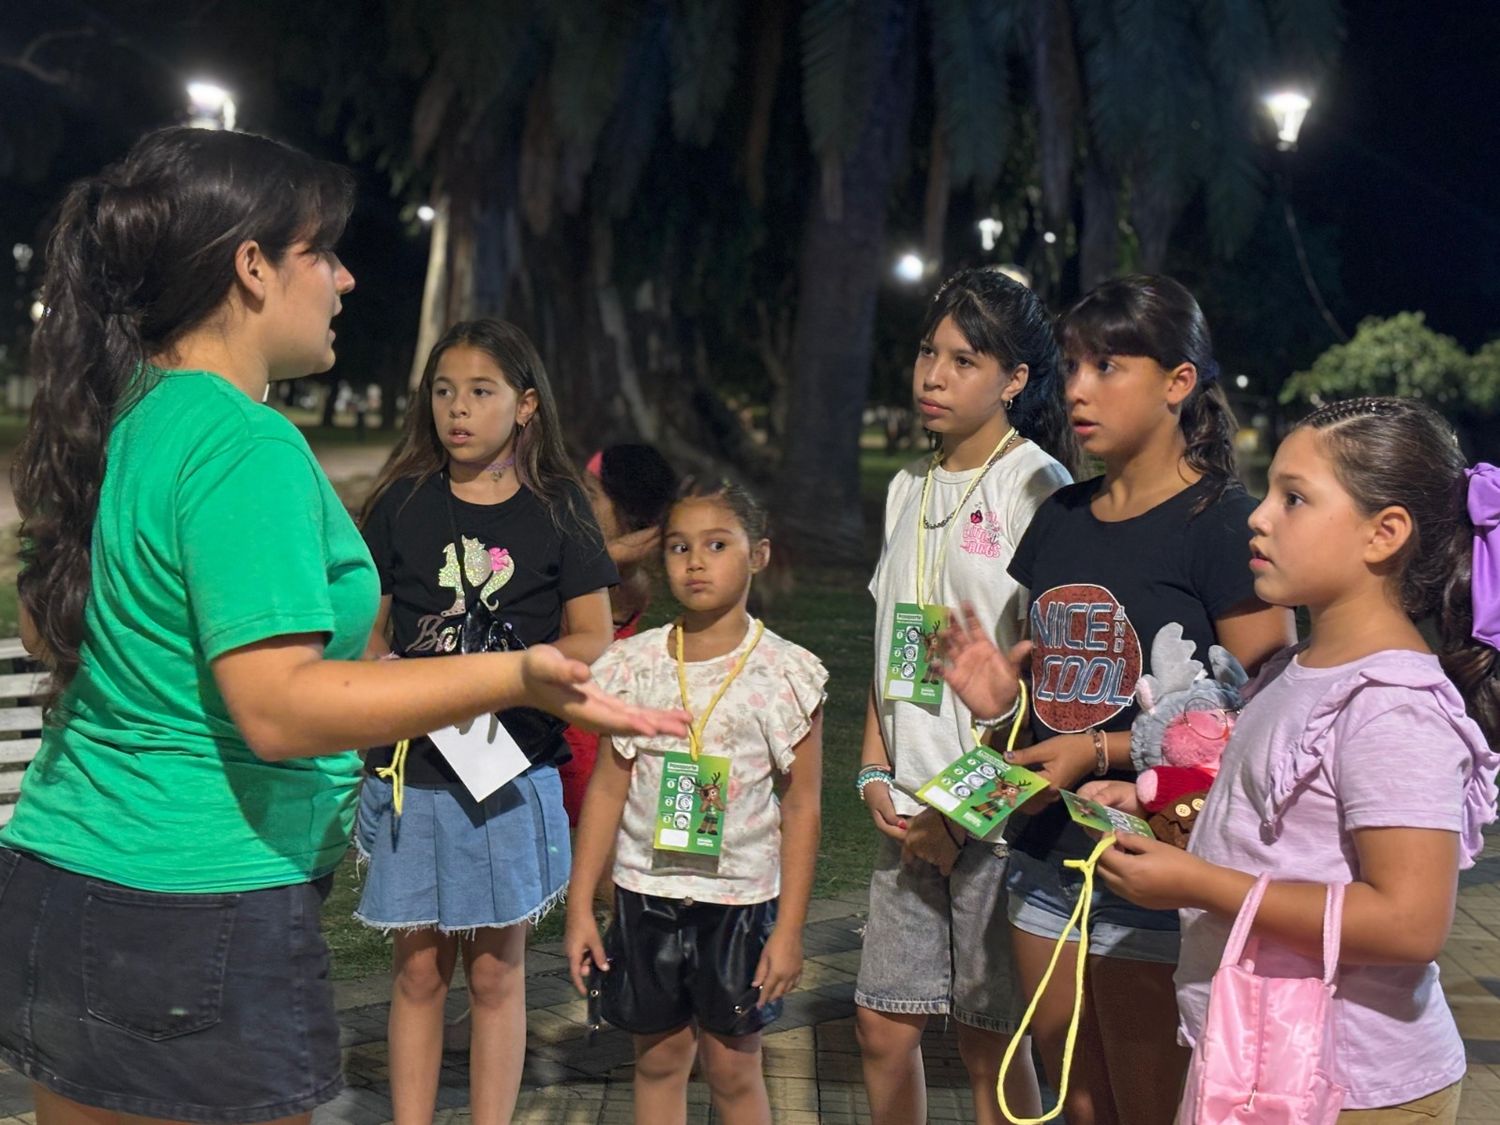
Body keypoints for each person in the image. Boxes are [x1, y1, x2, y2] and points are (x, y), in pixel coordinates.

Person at [0, 128, 686, 1125]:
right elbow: (279, 708)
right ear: (250, 267)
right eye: (320, 252)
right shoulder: (241, 444)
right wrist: (516, 677)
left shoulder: (123, 421)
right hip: (199, 908)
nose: (345, 278)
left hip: (66, 881)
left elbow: (50, 625)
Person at [1083, 398, 1499, 1123]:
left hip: (1354, 1085)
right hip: (1264, 1056)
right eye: (1270, 490)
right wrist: (1171, 819)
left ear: (1384, 533)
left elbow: (1409, 921)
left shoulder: (1391, 706)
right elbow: (1287, 831)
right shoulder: (1299, 667)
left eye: (1295, 498)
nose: (1259, 515)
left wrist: (1200, 882)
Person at [979, 276, 1293, 1125]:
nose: (1077, 388)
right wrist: (995, 697)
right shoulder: (1060, 516)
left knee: (1150, 1103)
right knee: (1075, 1101)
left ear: (1178, 381)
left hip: (1157, 863)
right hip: (1045, 854)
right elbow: (1050, 685)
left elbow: (1264, 715)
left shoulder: (1224, 523)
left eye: (1108, 365)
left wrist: (1106, 753)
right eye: (1073, 365)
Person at [355, 317, 618, 1125]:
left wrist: (516, 678)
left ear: (526, 404)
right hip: (412, 772)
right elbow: (368, 623)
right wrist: (378, 673)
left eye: (479, 391)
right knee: (420, 972)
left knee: (498, 975)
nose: (456, 409)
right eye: (443, 390)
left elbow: (592, 634)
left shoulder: (560, 508)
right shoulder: (401, 500)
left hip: (511, 769)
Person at [854, 267, 1075, 1125]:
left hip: (996, 815)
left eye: (964, 360)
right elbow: (890, 644)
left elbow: (1047, 682)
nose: (933, 376)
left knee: (991, 1041)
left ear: (1015, 380)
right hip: (908, 811)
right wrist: (874, 768)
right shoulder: (907, 485)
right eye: (926, 353)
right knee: (881, 1025)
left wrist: (959, 817)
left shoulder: (1040, 486)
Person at [564, 479, 826, 1125]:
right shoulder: (633, 665)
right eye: (679, 546)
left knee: (735, 1068)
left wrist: (789, 930)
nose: (696, 560)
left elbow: (803, 806)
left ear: (758, 554)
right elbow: (607, 785)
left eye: (717, 543)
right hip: (643, 891)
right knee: (656, 1061)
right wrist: (579, 905)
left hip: (740, 901)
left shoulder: (788, 673)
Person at [561, 443, 680, 823]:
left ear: (628, 516)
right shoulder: (607, 563)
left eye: (591, 495)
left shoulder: (621, 580)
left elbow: (579, 569)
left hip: (581, 747)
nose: (579, 503)